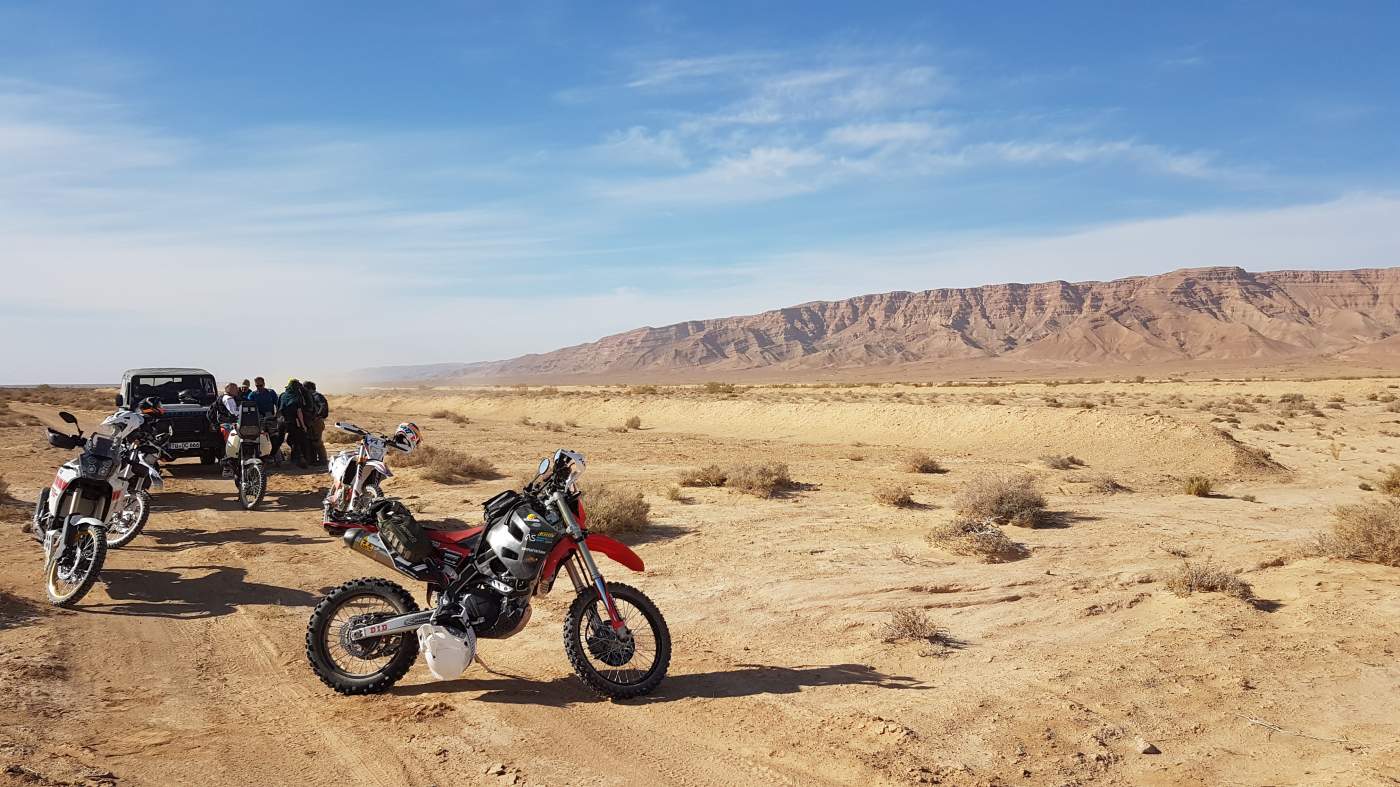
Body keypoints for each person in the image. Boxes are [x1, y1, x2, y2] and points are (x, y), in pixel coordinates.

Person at [246, 376, 282, 464]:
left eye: (260, 385)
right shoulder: (252, 395)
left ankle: (278, 459)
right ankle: (261, 458)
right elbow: (249, 407)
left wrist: (277, 414)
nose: (259, 387)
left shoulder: (271, 392)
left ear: (264, 384)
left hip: (270, 418)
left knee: (275, 439)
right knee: (259, 439)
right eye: (257, 386)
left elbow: (278, 404)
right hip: (259, 419)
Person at [279, 379, 309, 469]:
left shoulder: (283, 395)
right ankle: (296, 460)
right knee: (296, 441)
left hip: (282, 421)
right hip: (293, 422)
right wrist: (303, 425)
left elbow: (279, 409)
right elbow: (299, 412)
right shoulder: (297, 396)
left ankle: (277, 460)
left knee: (279, 441)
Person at [303, 381, 329, 466]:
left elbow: (323, 405)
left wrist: (317, 416)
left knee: (317, 441)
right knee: (311, 441)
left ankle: (323, 460)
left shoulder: (316, 396)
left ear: (308, 388)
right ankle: (313, 460)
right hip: (313, 421)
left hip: (316, 422)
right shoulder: (311, 396)